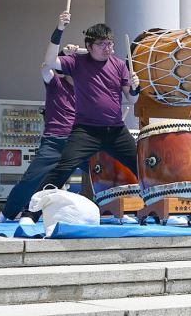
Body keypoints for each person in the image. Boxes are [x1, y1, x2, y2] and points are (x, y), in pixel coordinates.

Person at [23, 12, 141, 224]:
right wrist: (60, 28)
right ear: (89, 45)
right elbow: (49, 61)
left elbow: (132, 99)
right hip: (86, 130)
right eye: (102, 44)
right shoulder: (77, 62)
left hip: (115, 130)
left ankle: (161, 209)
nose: (108, 47)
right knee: (62, 169)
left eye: (110, 43)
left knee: (143, 167)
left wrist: (135, 87)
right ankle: (30, 214)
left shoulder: (119, 65)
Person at [0, 44, 81, 224]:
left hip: (79, 142)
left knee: (105, 169)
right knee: (31, 178)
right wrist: (63, 52)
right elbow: (45, 67)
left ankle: (118, 209)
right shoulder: (56, 83)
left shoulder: (87, 92)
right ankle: (6, 214)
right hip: (54, 141)